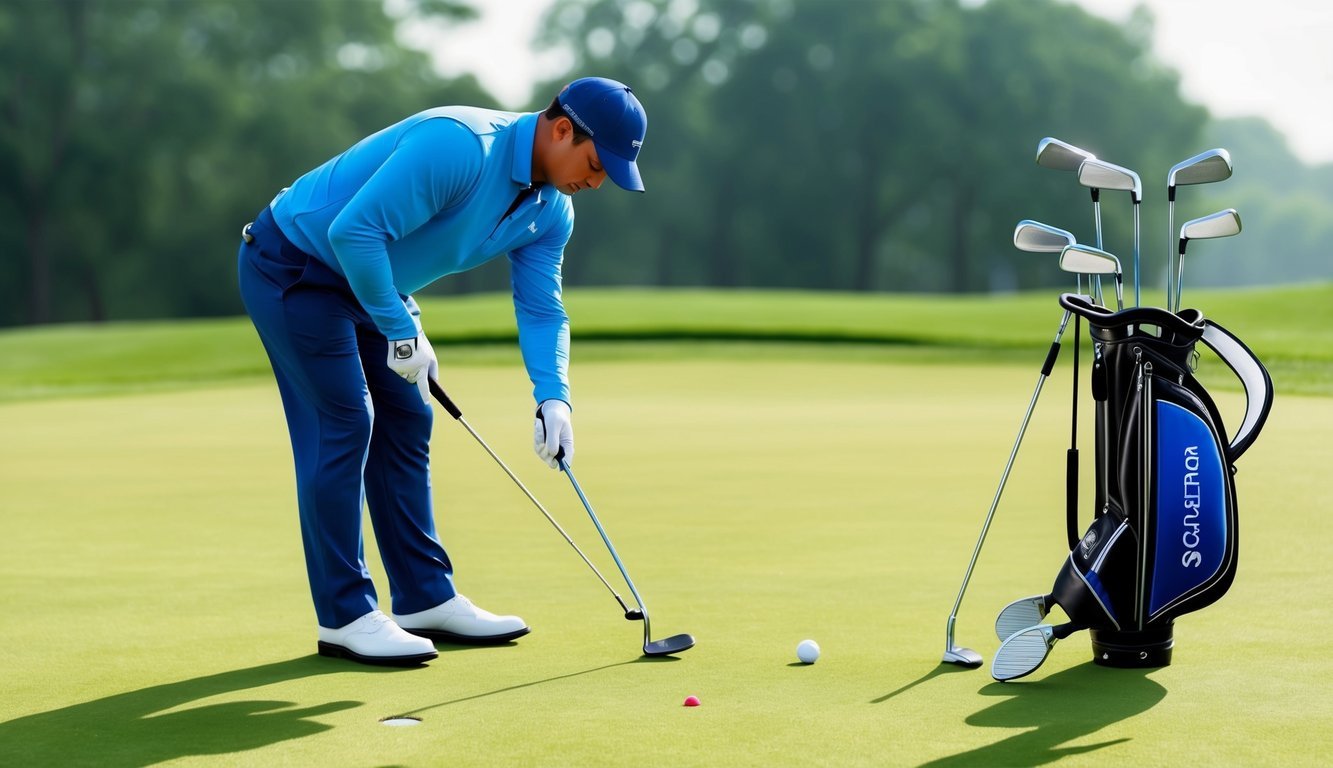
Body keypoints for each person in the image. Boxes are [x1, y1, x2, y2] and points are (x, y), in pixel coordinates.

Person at [237, 77, 648, 667]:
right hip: (295, 267)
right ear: (562, 130)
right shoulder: (460, 145)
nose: (597, 180)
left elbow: (541, 308)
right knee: (348, 421)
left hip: (372, 279)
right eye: (595, 162)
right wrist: (403, 330)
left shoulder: (551, 211)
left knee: (407, 418)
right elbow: (351, 232)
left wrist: (554, 397)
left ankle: (424, 598)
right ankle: (345, 616)